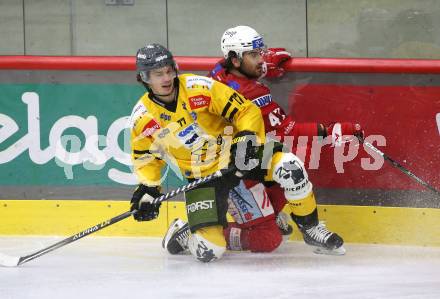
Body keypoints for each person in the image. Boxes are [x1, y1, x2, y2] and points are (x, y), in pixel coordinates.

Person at [163, 26, 363, 256]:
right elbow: (291, 131)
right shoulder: (250, 94)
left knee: (290, 168)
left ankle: (310, 228)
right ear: (235, 60)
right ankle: (191, 232)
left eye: (261, 52)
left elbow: (240, 75)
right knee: (267, 239)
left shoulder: (221, 71)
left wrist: (264, 65)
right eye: (255, 55)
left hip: (247, 154)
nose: (261, 59)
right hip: (229, 169)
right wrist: (333, 130)